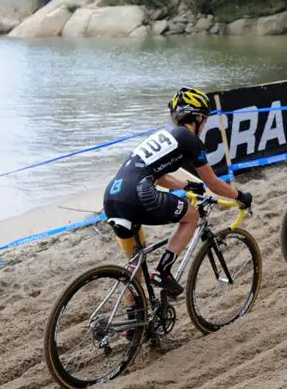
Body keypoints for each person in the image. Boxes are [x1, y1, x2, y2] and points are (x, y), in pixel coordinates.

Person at [102, 87, 252, 297]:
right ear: (199, 118)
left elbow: (158, 175)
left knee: (134, 265)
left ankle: (132, 325)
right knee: (191, 216)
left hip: (112, 197)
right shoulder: (190, 139)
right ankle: (164, 271)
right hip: (138, 195)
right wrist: (240, 196)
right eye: (205, 119)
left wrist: (185, 186)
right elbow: (213, 183)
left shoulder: (164, 136)